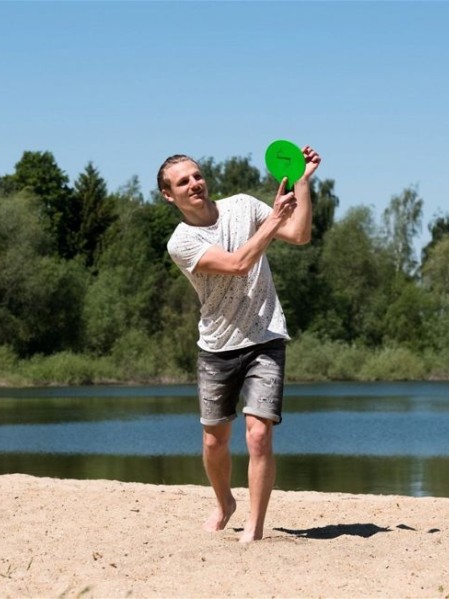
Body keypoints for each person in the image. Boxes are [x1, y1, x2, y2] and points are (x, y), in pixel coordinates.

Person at [157, 146, 321, 542]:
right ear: (169, 195)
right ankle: (224, 502)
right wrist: (272, 221)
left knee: (259, 434)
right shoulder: (181, 242)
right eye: (183, 182)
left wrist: (301, 181)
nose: (194, 184)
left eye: (196, 175)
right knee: (215, 439)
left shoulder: (244, 206)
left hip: (265, 335)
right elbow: (236, 264)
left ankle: (255, 525)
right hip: (217, 345)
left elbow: (298, 234)